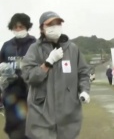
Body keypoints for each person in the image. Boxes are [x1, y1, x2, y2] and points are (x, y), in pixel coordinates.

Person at [21, 11, 91, 139]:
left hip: (69, 116)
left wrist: (84, 90)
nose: (55, 27)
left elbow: (83, 73)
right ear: (42, 28)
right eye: (50, 24)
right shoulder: (34, 49)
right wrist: (48, 63)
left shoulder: (73, 49)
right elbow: (28, 76)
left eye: (58, 23)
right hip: (41, 117)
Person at [0, 63, 29, 139]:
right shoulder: (11, 88)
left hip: (20, 129)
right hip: (16, 128)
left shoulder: (16, 90)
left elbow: (19, 116)